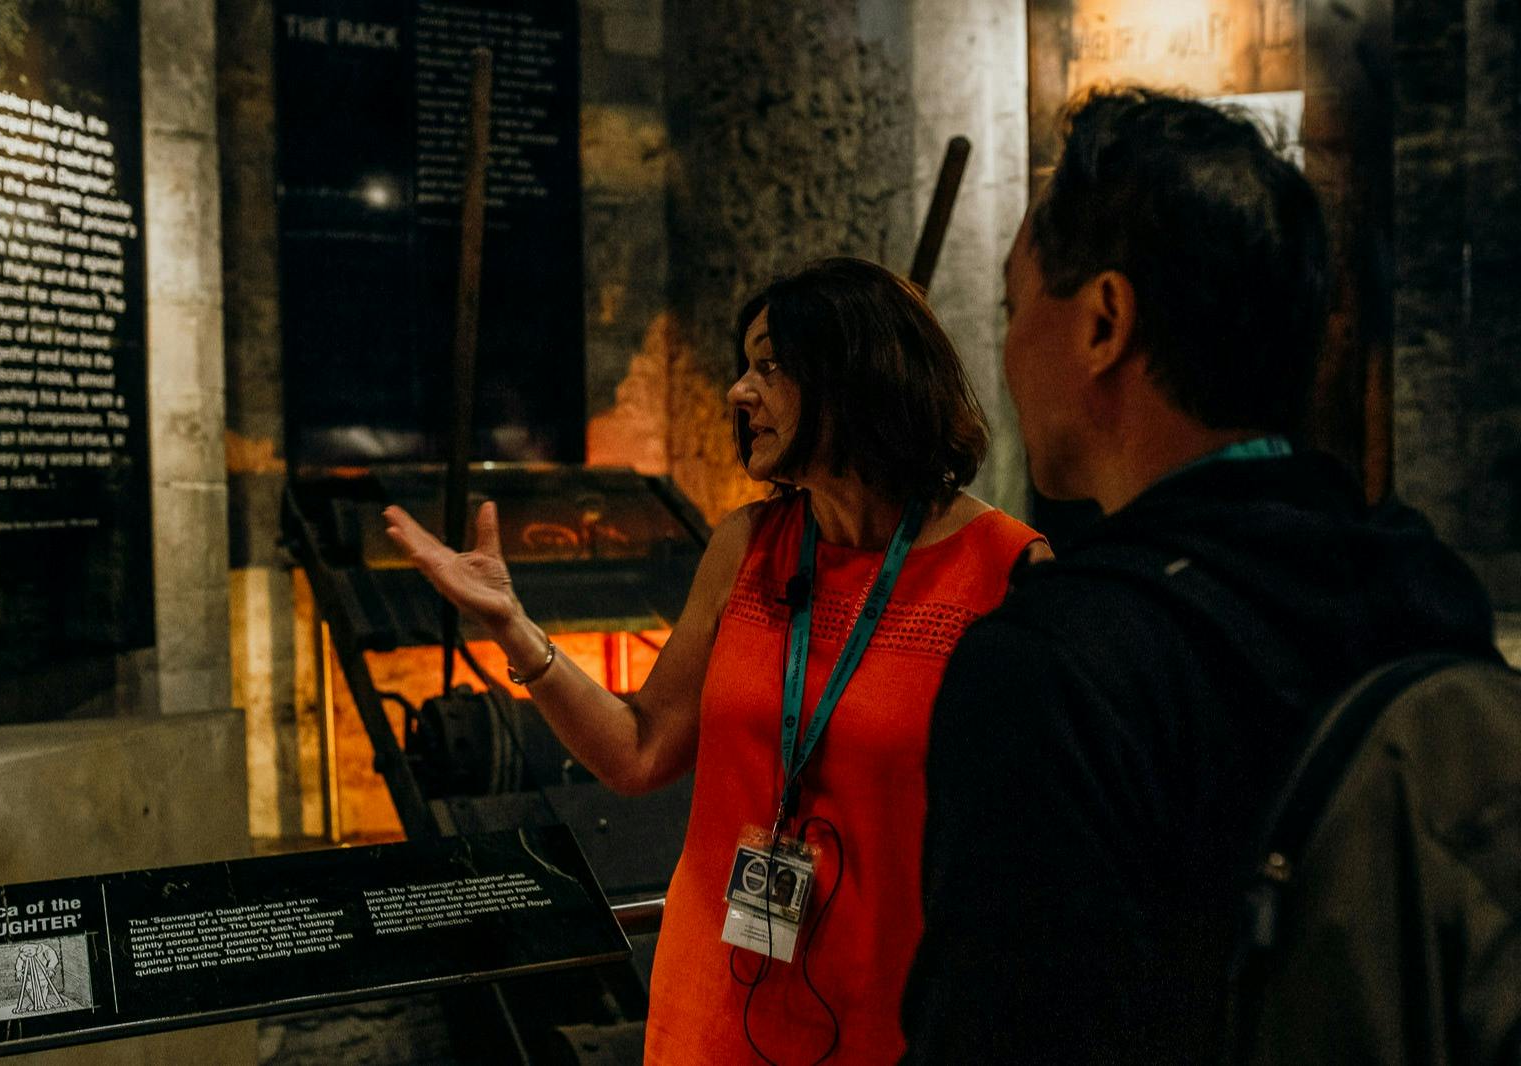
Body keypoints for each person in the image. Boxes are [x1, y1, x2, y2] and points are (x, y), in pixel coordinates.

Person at [900, 88, 1499, 1064]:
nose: (1003, 351)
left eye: (1013, 308)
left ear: (1103, 322)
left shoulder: (1054, 669)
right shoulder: (1425, 581)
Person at [386, 256, 1047, 1063]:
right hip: (713, 1012)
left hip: (895, 1023)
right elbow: (639, 751)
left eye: (769, 367)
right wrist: (511, 625)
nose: (738, 392)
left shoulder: (1007, 573)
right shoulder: (748, 545)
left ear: (856, 375)